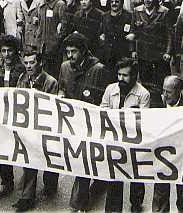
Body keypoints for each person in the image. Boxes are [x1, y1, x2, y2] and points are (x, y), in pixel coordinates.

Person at [58, 32, 110, 212]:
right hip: (72, 121)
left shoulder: (98, 69)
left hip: (91, 122)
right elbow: (62, 88)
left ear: (84, 51)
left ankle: (78, 203)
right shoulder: (65, 67)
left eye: (73, 52)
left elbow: (103, 99)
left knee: (85, 159)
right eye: (67, 52)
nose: (70, 56)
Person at [101, 58, 149, 213]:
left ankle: (136, 203)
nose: (121, 78)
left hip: (133, 141)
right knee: (114, 178)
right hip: (114, 140)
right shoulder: (110, 89)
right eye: (119, 75)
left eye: (125, 75)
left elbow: (143, 121)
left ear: (134, 76)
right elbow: (103, 110)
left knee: (135, 175)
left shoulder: (143, 94)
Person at [13, 52, 60, 212]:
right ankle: (27, 197)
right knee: (30, 160)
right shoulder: (22, 79)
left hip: (45, 127)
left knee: (48, 159)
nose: (28, 66)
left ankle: (51, 184)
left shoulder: (51, 82)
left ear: (40, 63)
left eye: (32, 62)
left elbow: (53, 108)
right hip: (29, 126)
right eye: (26, 63)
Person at [152, 76, 183, 212]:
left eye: (169, 92)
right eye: (164, 91)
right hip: (163, 155)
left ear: (179, 91)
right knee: (160, 195)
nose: (165, 95)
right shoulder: (157, 102)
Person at [0, 34, 27, 198]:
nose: (6, 55)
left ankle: (28, 186)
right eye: (3, 51)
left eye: (10, 51)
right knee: (3, 147)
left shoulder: (22, 68)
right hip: (3, 112)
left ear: (15, 52)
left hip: (19, 112)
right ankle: (6, 182)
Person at [36, 0, 66, 78]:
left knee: (54, 74)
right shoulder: (41, 6)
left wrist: (57, 41)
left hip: (55, 48)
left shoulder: (60, 5)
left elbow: (64, 26)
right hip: (42, 47)